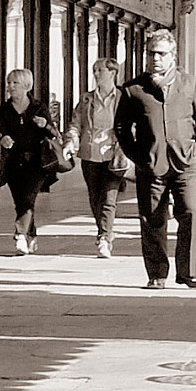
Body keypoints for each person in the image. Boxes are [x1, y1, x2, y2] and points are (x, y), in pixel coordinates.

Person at [115, 32, 196, 289]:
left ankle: (187, 271)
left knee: (191, 213)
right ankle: (157, 273)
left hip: (185, 163)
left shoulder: (189, 83)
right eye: (151, 53)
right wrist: (138, 156)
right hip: (151, 164)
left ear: (173, 57)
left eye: (161, 54)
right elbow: (122, 128)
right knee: (152, 219)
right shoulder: (133, 89)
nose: (156, 58)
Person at [0, 68, 62, 255]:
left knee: (29, 197)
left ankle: (20, 235)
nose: (10, 87)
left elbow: (55, 133)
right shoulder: (4, 110)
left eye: (15, 83)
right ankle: (31, 234)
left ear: (26, 86)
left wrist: (44, 125)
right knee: (21, 201)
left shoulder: (38, 108)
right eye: (9, 82)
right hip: (13, 162)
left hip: (37, 162)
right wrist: (3, 138)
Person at [72, 57, 131, 259]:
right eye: (94, 70)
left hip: (114, 155)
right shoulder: (87, 99)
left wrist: (119, 139)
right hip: (90, 154)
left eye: (100, 70)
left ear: (112, 73)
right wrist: (71, 140)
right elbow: (76, 123)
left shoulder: (123, 98)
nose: (96, 74)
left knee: (109, 197)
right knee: (95, 196)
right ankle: (103, 231)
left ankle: (105, 237)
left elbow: (132, 126)